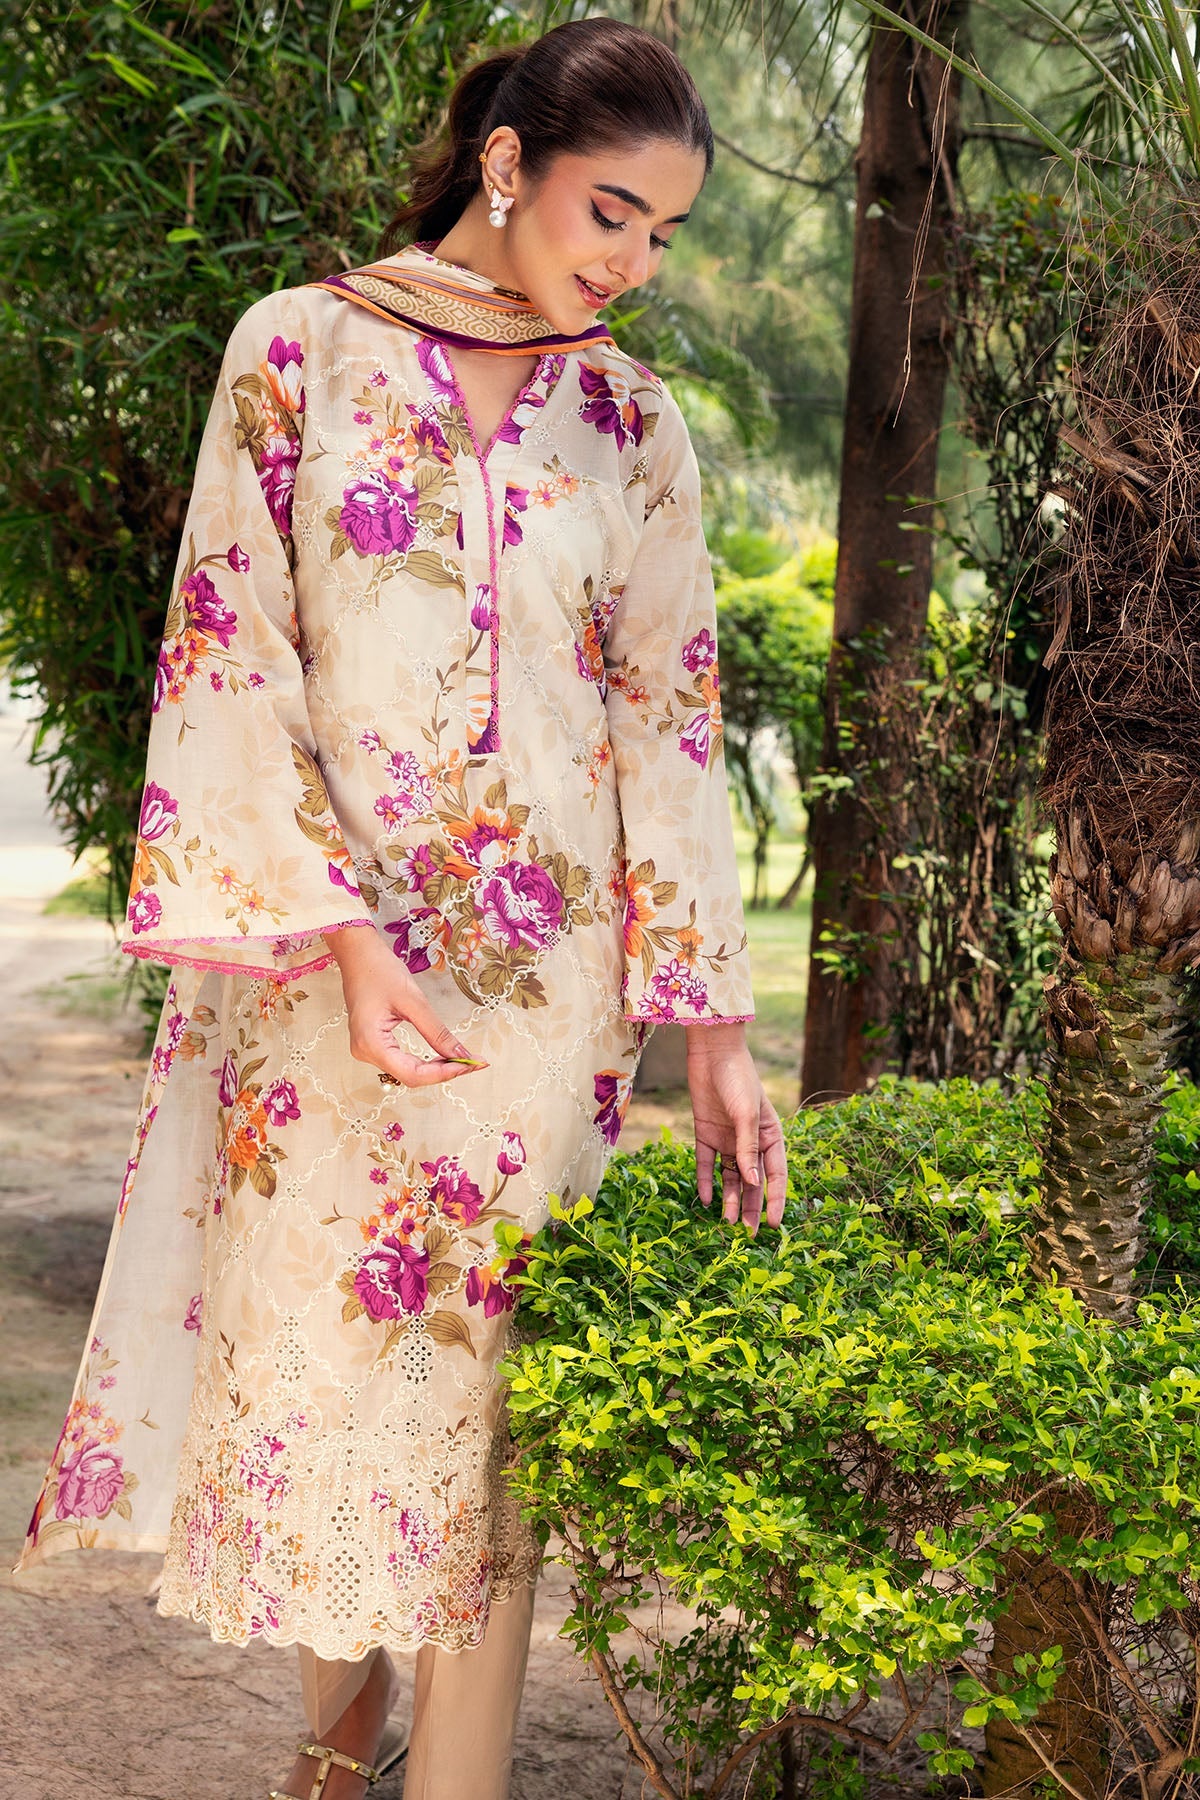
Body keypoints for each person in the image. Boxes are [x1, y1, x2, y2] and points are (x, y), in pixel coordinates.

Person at [15, 16, 787, 1798]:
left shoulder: (633, 422)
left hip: (545, 1007)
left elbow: (671, 727)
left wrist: (720, 1038)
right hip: (321, 983)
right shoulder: (297, 350)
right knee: (323, 1379)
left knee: (487, 1406)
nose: (631, 263)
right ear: (508, 165)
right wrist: (354, 950)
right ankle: (338, 1746)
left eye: (664, 234)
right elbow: (235, 655)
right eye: (611, 212)